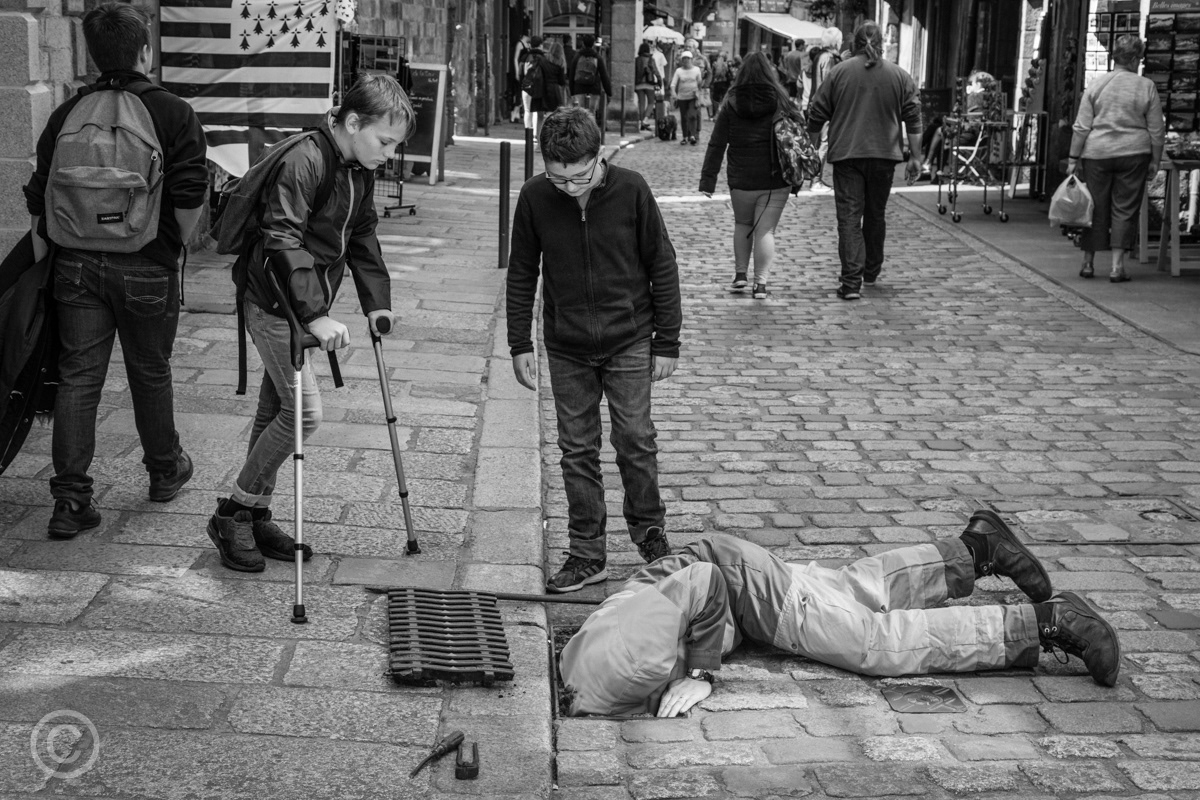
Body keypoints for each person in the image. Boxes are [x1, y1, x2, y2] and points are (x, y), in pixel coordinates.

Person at [561, 514, 1122, 717]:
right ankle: (976, 549)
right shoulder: (587, 672)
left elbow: (702, 583)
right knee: (853, 591)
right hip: (733, 569)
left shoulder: (621, 659)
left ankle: (1044, 623)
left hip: (736, 583)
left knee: (872, 644)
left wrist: (703, 674)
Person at [205, 75, 408, 572]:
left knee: (274, 411)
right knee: (303, 415)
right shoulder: (306, 160)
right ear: (353, 122)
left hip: (300, 305)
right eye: (385, 141)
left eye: (396, 146)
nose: (389, 154)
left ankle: (252, 514)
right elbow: (281, 239)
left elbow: (361, 235)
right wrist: (316, 315)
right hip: (275, 304)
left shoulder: (359, 168)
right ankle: (232, 511)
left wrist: (376, 300)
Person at [24, 3, 208, 537]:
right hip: (147, 264)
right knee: (151, 372)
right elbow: (190, 196)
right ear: (145, 52)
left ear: (90, 53)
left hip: (76, 265)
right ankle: (164, 471)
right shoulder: (174, 112)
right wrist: (173, 243)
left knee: (80, 378)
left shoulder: (66, 115)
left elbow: (41, 200)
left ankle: (71, 501)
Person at [506, 108, 682, 593]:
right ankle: (587, 553)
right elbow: (523, 272)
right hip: (566, 345)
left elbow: (662, 265)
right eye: (557, 178)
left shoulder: (632, 190)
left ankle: (650, 536)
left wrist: (667, 340)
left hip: (628, 336)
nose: (569, 188)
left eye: (579, 177)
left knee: (635, 439)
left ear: (599, 157)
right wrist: (519, 341)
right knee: (576, 450)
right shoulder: (535, 197)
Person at [807, 21, 922, 301]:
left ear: (853, 43)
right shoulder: (899, 75)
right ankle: (870, 270)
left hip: (847, 155)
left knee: (849, 218)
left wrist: (811, 153)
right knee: (875, 214)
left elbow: (816, 113)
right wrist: (916, 157)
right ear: (882, 43)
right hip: (884, 155)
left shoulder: (839, 72)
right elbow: (914, 117)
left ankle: (850, 283)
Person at [699, 52, 798, 301]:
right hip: (775, 178)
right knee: (765, 232)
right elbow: (798, 134)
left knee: (743, 224)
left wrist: (708, 180)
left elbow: (717, 143)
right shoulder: (781, 100)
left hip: (741, 178)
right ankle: (760, 285)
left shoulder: (731, 102)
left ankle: (740, 275)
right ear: (769, 72)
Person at [1068, 34, 1164, 283]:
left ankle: (1088, 262)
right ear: (1133, 59)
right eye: (1139, 58)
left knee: (1094, 206)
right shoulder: (1146, 86)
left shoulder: (1097, 85)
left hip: (1097, 154)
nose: (1140, 63)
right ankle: (1116, 266)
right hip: (1134, 154)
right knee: (1124, 209)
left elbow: (1081, 127)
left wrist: (1073, 157)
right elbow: (1156, 130)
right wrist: (1156, 158)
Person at [808, 27, 844, 192]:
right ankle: (815, 180)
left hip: (816, 104)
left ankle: (815, 179)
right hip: (824, 107)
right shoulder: (829, 58)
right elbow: (830, 84)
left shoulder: (820, 56)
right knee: (823, 144)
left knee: (818, 144)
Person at [530, 40, 569, 145]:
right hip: (554, 91)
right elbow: (561, 81)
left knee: (539, 117)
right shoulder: (560, 63)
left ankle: (539, 143)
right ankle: (551, 142)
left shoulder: (542, 60)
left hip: (540, 89)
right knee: (554, 118)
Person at [569, 34, 612, 125]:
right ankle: (591, 135)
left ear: (583, 44)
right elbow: (604, 75)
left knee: (581, 112)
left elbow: (572, 74)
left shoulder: (577, 56)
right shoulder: (597, 57)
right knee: (591, 113)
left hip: (579, 88)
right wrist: (609, 92)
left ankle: (582, 134)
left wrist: (572, 91)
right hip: (594, 88)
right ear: (593, 44)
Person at [671, 51, 705, 145]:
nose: (686, 61)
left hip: (693, 97)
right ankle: (685, 137)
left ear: (691, 60)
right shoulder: (679, 71)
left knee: (692, 116)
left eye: (688, 59)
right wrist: (674, 93)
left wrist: (699, 91)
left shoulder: (696, 70)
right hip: (682, 97)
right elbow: (673, 84)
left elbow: (699, 82)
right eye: (684, 59)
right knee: (684, 117)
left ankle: (693, 136)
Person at [634, 42, 662, 131]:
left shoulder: (636, 60)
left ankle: (641, 122)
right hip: (649, 84)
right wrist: (659, 81)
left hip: (638, 84)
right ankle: (645, 120)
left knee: (641, 103)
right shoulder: (650, 59)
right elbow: (656, 71)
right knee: (651, 102)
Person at [521, 36, 545, 134]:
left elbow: (522, 73)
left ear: (531, 45)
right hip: (539, 86)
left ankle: (528, 134)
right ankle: (536, 134)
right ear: (540, 45)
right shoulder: (544, 57)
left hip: (527, 85)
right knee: (538, 111)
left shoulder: (526, 56)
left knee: (527, 111)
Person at [512, 33, 531, 123]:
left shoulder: (528, 45)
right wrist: (516, 72)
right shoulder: (520, 44)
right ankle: (514, 113)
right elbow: (516, 58)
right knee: (519, 93)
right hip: (520, 70)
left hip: (525, 71)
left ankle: (516, 114)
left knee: (523, 92)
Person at [782, 38, 807, 106]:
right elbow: (805, 68)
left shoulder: (789, 54)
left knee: (792, 96)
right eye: (804, 45)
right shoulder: (803, 55)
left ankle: (789, 108)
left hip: (791, 78)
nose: (805, 46)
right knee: (800, 97)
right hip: (800, 79)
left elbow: (785, 66)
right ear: (801, 45)